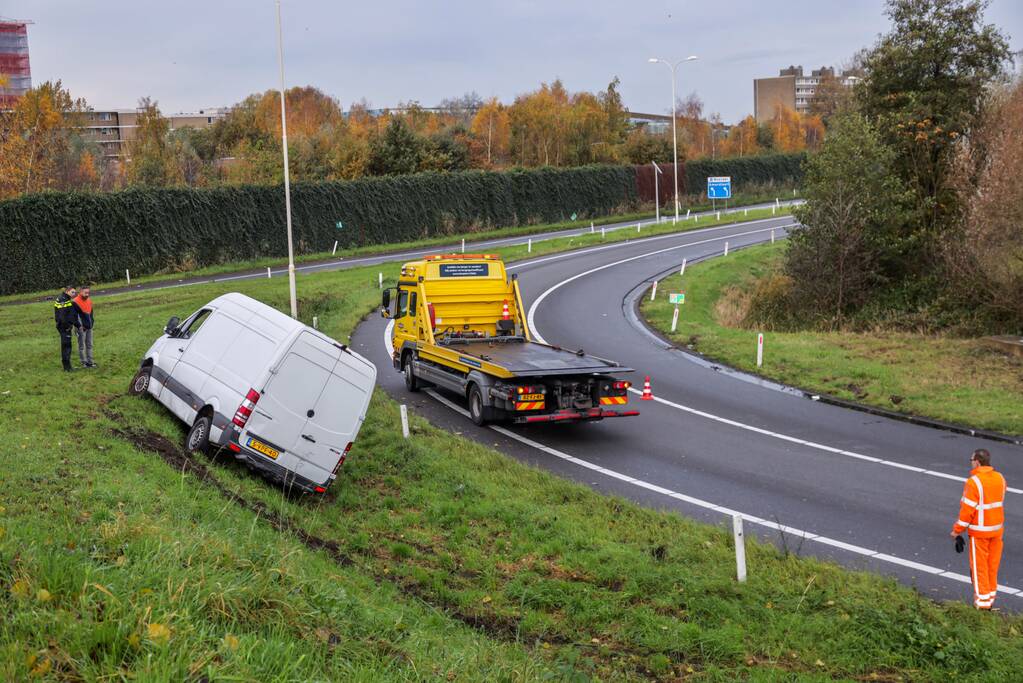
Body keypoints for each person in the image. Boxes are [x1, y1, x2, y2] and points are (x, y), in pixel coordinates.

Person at [951, 448, 1007, 610]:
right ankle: (990, 599)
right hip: (997, 531)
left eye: (971, 460)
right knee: (992, 567)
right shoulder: (1000, 478)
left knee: (979, 568)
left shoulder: (973, 482)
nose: (970, 463)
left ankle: (982, 605)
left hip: (980, 532)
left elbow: (967, 511)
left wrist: (957, 530)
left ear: (977, 461)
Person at [53, 285, 77, 372]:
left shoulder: (66, 298)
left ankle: (68, 366)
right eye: (72, 292)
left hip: (64, 326)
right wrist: (67, 326)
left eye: (75, 292)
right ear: (67, 291)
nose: (74, 294)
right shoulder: (63, 299)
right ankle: (67, 368)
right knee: (66, 346)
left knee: (67, 345)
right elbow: (63, 317)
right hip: (64, 327)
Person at [72, 286, 96, 368]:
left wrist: (91, 324)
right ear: (80, 292)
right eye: (85, 293)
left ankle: (90, 362)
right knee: (82, 346)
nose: (87, 294)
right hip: (81, 328)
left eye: (88, 293)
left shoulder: (89, 301)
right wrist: (79, 326)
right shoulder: (75, 302)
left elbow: (91, 314)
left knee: (90, 345)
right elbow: (74, 317)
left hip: (89, 327)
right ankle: (84, 362)